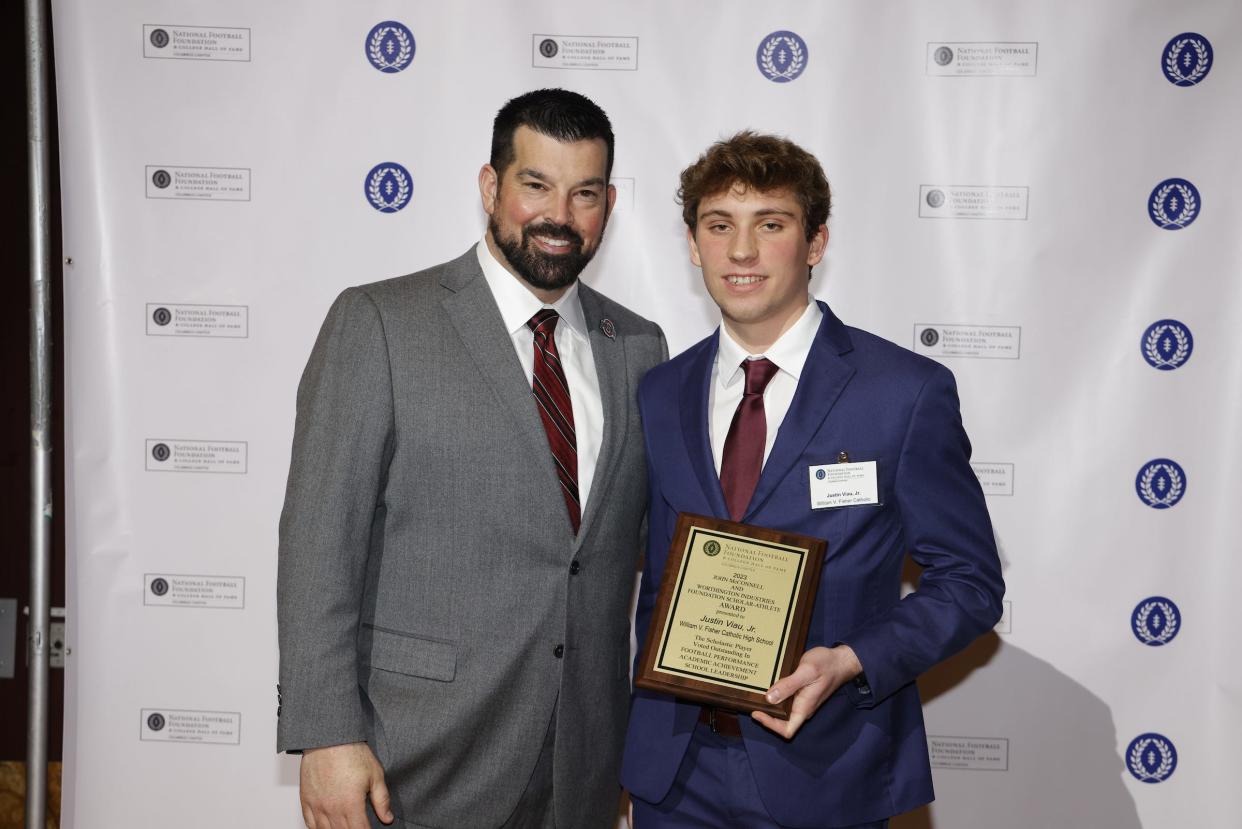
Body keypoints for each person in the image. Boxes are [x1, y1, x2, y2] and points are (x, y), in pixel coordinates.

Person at [277, 88, 666, 829]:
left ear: (609, 204)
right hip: (415, 756)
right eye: (536, 184)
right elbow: (320, 543)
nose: (560, 214)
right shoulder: (381, 323)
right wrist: (326, 735)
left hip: (581, 763)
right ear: (491, 187)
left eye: (584, 192)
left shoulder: (639, 346)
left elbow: (640, 545)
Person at [621, 132, 1005, 828]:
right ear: (691, 242)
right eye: (719, 226)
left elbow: (970, 583)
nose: (741, 251)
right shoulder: (659, 391)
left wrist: (852, 659)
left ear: (816, 242)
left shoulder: (903, 394)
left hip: (827, 770)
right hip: (673, 775)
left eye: (770, 224)